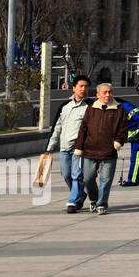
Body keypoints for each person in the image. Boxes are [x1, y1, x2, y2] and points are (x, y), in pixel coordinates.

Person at [73, 83, 129, 215]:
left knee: (105, 180)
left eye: (110, 92)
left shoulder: (119, 109)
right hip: (89, 150)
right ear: (98, 95)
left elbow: (123, 128)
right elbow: (83, 128)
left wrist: (118, 142)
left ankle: (102, 204)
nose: (108, 95)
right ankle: (94, 199)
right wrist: (79, 147)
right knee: (88, 178)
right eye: (105, 92)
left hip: (108, 152)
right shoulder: (91, 108)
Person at [48, 75, 94, 212]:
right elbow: (57, 127)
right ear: (74, 88)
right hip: (64, 146)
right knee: (66, 174)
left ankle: (73, 201)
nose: (83, 89)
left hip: (80, 147)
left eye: (86, 86)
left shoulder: (91, 107)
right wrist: (49, 147)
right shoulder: (65, 106)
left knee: (77, 174)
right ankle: (80, 194)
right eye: (81, 86)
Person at [117, 97, 139, 186]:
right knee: (137, 158)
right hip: (133, 134)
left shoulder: (127, 107)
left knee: (136, 158)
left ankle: (133, 180)